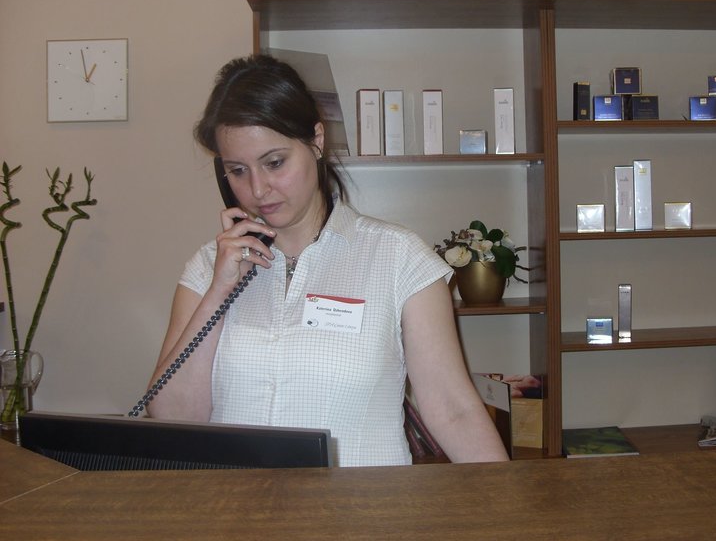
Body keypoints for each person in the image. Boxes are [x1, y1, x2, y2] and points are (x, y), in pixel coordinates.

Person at [146, 54, 508, 467]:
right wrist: (219, 291)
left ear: (316, 140)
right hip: (238, 504)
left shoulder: (399, 257)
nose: (258, 189)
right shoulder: (208, 266)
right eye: (238, 171)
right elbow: (172, 416)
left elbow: (453, 409)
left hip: (362, 505)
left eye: (274, 163)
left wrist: (508, 499)